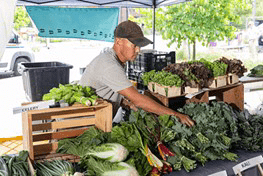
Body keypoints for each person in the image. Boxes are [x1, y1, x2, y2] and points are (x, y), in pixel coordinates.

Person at [79, 20, 194, 127]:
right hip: (85, 126)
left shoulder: (116, 60)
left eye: (139, 46)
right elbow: (138, 99)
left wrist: (125, 102)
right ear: (118, 41)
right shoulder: (109, 65)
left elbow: (106, 90)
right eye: (134, 45)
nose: (138, 50)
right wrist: (176, 115)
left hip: (98, 122)